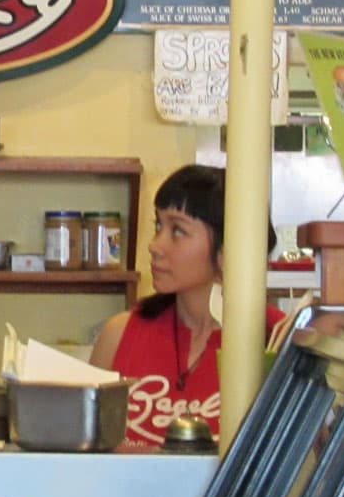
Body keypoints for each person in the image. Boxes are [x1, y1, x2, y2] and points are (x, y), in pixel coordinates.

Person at [88, 164, 276, 447]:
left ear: (229, 248)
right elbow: (84, 459)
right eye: (158, 226)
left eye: (177, 230)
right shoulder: (120, 333)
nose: (154, 245)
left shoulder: (275, 338)